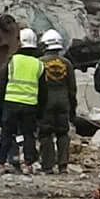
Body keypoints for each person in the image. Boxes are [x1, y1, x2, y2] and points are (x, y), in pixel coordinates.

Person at [0, 27, 43, 173]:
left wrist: (0, 104)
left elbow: (2, 84)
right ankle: (28, 163)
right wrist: (40, 110)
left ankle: (4, 161)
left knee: (7, 133)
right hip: (30, 105)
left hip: (11, 103)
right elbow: (44, 90)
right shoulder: (39, 64)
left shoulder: (11, 61)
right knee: (28, 135)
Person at [37, 29, 77, 175]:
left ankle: (48, 166)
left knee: (45, 133)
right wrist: (72, 108)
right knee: (62, 133)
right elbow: (72, 89)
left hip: (46, 102)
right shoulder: (67, 63)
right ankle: (63, 165)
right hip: (63, 102)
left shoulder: (39, 63)